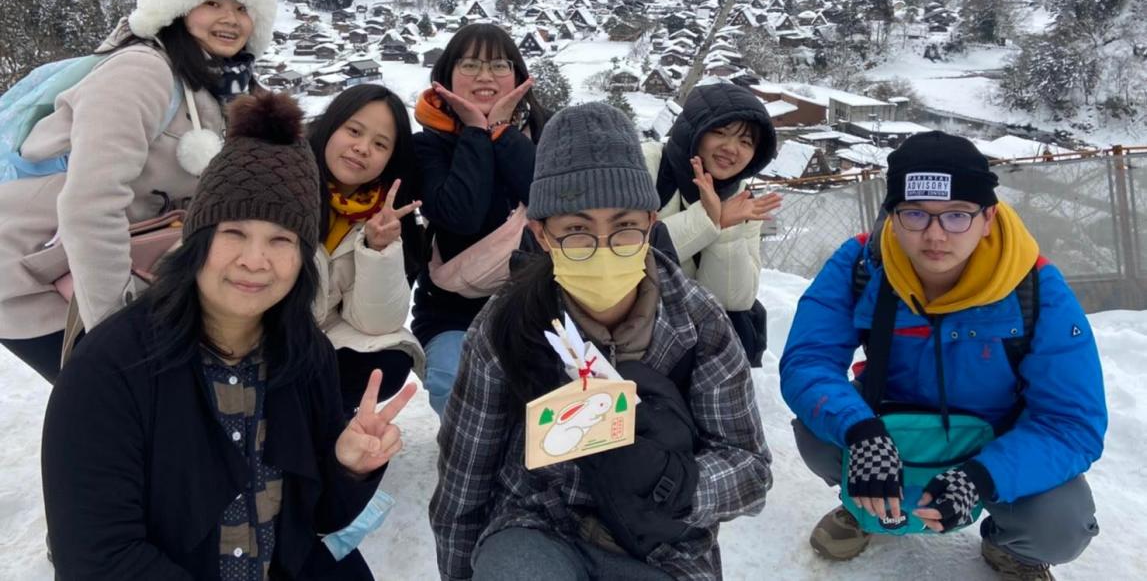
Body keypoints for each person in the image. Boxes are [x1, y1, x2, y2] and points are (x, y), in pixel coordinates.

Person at [42, 91, 417, 580]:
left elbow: (318, 518)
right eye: (234, 233)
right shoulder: (111, 367)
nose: (255, 261)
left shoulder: (307, 356)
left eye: (281, 240)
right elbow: (96, 556)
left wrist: (349, 466)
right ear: (198, 240)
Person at [430, 102, 772, 581]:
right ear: (541, 235)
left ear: (651, 222)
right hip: (537, 525)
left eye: (624, 226)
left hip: (662, 545)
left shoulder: (697, 322)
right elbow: (465, 480)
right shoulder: (507, 323)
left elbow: (751, 470)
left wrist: (673, 483)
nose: (603, 248)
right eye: (576, 230)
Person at [780, 131, 1105, 579]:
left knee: (1061, 524)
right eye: (914, 214)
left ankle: (1012, 545)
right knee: (816, 430)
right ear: (892, 216)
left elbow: (1072, 421)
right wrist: (859, 430)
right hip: (888, 429)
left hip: (993, 440)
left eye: (956, 215)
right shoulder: (863, 264)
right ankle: (868, 503)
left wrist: (984, 476)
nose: (934, 235)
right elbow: (807, 361)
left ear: (988, 217)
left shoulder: (1035, 287)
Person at [0, 0, 277, 382]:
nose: (230, 18)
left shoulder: (226, 87)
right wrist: (114, 333)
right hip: (38, 277)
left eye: (243, 6)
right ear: (176, 8)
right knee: (121, 403)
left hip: (129, 269)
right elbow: (91, 206)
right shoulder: (142, 72)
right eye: (211, 2)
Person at [412, 23, 544, 416]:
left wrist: (501, 132)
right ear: (446, 76)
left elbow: (548, 201)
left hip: (539, 300)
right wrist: (475, 131)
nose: (485, 76)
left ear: (517, 76)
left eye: (498, 65)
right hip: (452, 309)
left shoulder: (546, 132)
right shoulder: (427, 146)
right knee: (455, 386)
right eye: (470, 65)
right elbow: (461, 215)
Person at [307, 83, 426, 418]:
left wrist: (378, 249)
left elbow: (376, 323)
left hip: (317, 335)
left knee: (388, 360)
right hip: (259, 331)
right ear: (330, 126)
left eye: (380, 144)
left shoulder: (382, 215)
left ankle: (328, 419)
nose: (362, 148)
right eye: (354, 131)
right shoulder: (282, 182)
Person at [643, 81, 781, 366]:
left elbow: (734, 300)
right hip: (637, 323)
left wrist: (727, 231)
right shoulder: (648, 167)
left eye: (746, 142)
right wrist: (709, 218)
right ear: (694, 131)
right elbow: (622, 252)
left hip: (694, 338)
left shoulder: (742, 199)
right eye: (720, 132)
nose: (732, 149)